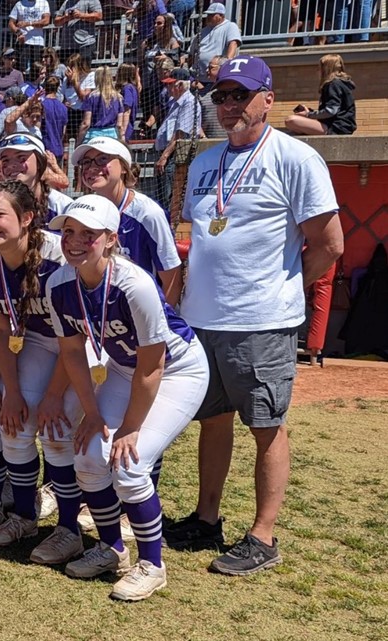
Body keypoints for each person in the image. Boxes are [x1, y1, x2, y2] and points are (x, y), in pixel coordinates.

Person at [166, 55, 344, 576]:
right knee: (212, 422)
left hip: (261, 322)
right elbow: (194, 238)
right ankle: (206, 519)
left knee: (266, 425)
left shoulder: (296, 159)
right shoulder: (204, 161)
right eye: (221, 96)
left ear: (268, 98)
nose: (228, 106)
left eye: (240, 95)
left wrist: (281, 289)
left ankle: (263, 537)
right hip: (203, 319)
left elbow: (329, 245)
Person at [46, 193, 209, 601]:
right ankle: (111, 549)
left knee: (130, 464)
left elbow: (153, 366)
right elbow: (71, 354)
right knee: (87, 455)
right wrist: (91, 412)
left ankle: (152, 565)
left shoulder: (133, 283)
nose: (76, 241)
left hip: (177, 372)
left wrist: (130, 428)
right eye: (69, 232)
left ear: (111, 239)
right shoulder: (58, 284)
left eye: (89, 234)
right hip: (122, 369)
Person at [0, 179, 83, 560]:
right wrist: (10, 391)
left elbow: (77, 339)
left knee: (57, 429)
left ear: (28, 218)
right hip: (38, 340)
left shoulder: (58, 257)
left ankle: (69, 528)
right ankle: (24, 515)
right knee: (12, 424)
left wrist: (53, 396)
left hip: (83, 348)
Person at [73, 136, 181, 307]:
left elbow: (172, 277)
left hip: (143, 313)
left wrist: (162, 324)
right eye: (86, 162)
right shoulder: (84, 212)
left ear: (124, 167)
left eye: (102, 159)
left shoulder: (148, 214)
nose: (92, 167)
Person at [153, 67, 202, 212]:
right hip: (168, 154)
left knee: (169, 196)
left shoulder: (189, 103)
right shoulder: (175, 102)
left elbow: (180, 134)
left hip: (174, 156)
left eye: (170, 84)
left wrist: (165, 156)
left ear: (180, 85)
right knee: (162, 195)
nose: (167, 87)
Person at [284, 54, 356, 137]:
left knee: (290, 120)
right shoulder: (341, 84)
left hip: (336, 128)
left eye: (319, 68)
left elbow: (331, 111)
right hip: (341, 127)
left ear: (326, 69)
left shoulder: (333, 84)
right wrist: (310, 112)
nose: (317, 70)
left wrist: (308, 114)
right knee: (292, 132)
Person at [185, 3, 240, 84]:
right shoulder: (203, 31)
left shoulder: (230, 26)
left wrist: (227, 66)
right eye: (208, 15)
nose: (208, 17)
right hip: (197, 78)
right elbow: (191, 53)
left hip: (215, 79)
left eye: (211, 15)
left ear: (221, 15)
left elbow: (233, 44)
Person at [78, 67, 123, 144]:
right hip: (112, 136)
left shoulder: (91, 97)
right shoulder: (119, 97)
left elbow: (86, 123)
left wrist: (78, 141)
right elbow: (119, 125)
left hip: (94, 136)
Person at [54, 0, 102, 65]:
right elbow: (56, 22)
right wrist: (66, 18)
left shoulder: (92, 0)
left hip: (85, 44)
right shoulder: (67, 2)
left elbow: (99, 16)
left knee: (83, 71)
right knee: (67, 71)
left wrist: (81, 15)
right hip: (67, 45)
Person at [9, 0, 51, 72]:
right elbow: (11, 23)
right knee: (21, 68)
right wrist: (18, 32)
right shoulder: (19, 4)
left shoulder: (43, 2)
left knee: (37, 69)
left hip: (38, 42)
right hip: (23, 41)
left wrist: (29, 23)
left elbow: (46, 21)